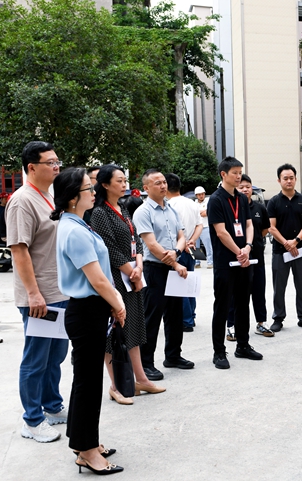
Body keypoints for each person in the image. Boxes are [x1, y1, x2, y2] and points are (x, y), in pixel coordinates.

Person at [53, 168, 126, 475]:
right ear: (73, 197)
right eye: (87, 188)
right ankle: (86, 450)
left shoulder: (77, 223)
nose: (94, 192)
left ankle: (84, 441)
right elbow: (97, 279)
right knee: (88, 383)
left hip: (90, 310)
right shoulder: (74, 230)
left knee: (87, 380)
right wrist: (118, 304)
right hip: (86, 311)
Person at [6, 141, 69, 443]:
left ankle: (52, 406)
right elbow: (19, 251)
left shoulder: (49, 196)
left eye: (58, 161)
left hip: (58, 291)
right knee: (36, 359)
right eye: (50, 162)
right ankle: (32, 419)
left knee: (55, 355)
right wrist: (33, 293)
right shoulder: (22, 201)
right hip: (40, 295)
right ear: (32, 167)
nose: (57, 167)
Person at [91, 165, 165, 404]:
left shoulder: (123, 207)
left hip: (133, 275)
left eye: (125, 180)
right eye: (119, 181)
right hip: (116, 277)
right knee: (114, 332)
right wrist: (130, 270)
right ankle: (116, 385)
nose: (124, 185)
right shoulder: (99, 212)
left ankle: (140, 379)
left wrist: (139, 267)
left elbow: (136, 241)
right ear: (105, 184)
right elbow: (108, 247)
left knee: (133, 326)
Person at [132, 169, 193, 381]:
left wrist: (176, 252)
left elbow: (181, 235)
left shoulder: (171, 209)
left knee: (175, 314)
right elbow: (151, 244)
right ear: (146, 188)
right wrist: (174, 262)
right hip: (154, 268)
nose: (163, 186)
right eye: (157, 183)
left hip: (173, 265)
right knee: (152, 316)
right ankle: (146, 363)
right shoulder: (143, 212)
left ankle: (173, 355)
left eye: (164, 182)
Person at [209, 157, 262, 369]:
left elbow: (248, 225)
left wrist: (247, 247)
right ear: (224, 174)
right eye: (235, 173)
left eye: (240, 172)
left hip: (244, 259)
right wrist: (238, 251)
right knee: (222, 306)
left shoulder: (241, 198)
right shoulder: (216, 200)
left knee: (243, 303)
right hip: (226, 261)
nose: (239, 176)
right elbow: (221, 232)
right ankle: (219, 351)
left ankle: (243, 345)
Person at [267, 164, 302, 332]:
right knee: (279, 287)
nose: (289, 181)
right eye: (285, 178)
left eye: (291, 178)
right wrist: (286, 244)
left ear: (295, 179)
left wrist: (295, 241)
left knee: (301, 284)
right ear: (279, 180)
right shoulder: (273, 201)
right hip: (280, 252)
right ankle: (278, 318)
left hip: (300, 250)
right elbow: (271, 227)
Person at [227, 174, 273, 341]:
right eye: (241, 187)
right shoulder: (231, 207)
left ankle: (261, 323)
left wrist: (254, 243)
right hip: (238, 257)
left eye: (248, 187)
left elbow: (265, 229)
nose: (245, 189)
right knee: (234, 294)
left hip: (256, 256)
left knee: (259, 290)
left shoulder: (260, 208)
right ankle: (231, 325)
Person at [165, 174, 203, 333]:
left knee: (180, 286)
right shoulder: (191, 203)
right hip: (190, 249)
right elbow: (199, 225)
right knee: (189, 284)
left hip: (177, 250)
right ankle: (191, 316)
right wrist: (191, 241)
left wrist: (182, 244)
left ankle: (186, 320)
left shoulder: (168, 205)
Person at [194, 186, 213, 269]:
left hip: (205, 226)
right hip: (196, 227)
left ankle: (210, 262)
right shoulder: (194, 203)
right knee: (196, 246)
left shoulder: (208, 201)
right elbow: (195, 214)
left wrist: (204, 212)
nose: (201, 196)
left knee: (208, 246)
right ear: (196, 195)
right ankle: (197, 262)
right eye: (199, 194)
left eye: (202, 194)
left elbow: (209, 211)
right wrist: (202, 212)